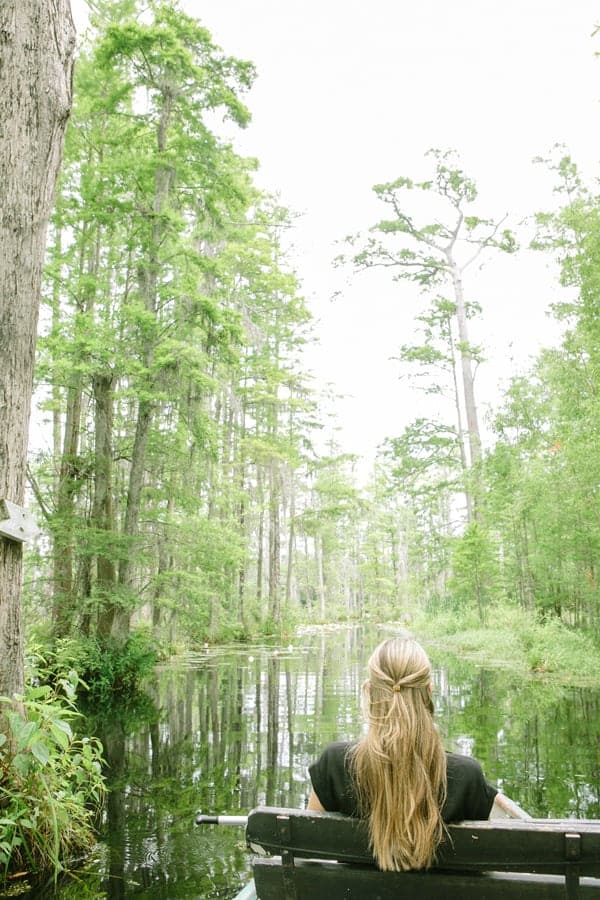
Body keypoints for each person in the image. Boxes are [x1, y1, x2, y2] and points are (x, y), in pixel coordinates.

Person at [307, 636, 527, 872]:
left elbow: (305, 848)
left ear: (370, 692)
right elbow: (483, 867)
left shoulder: (335, 764)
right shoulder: (467, 776)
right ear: (429, 692)